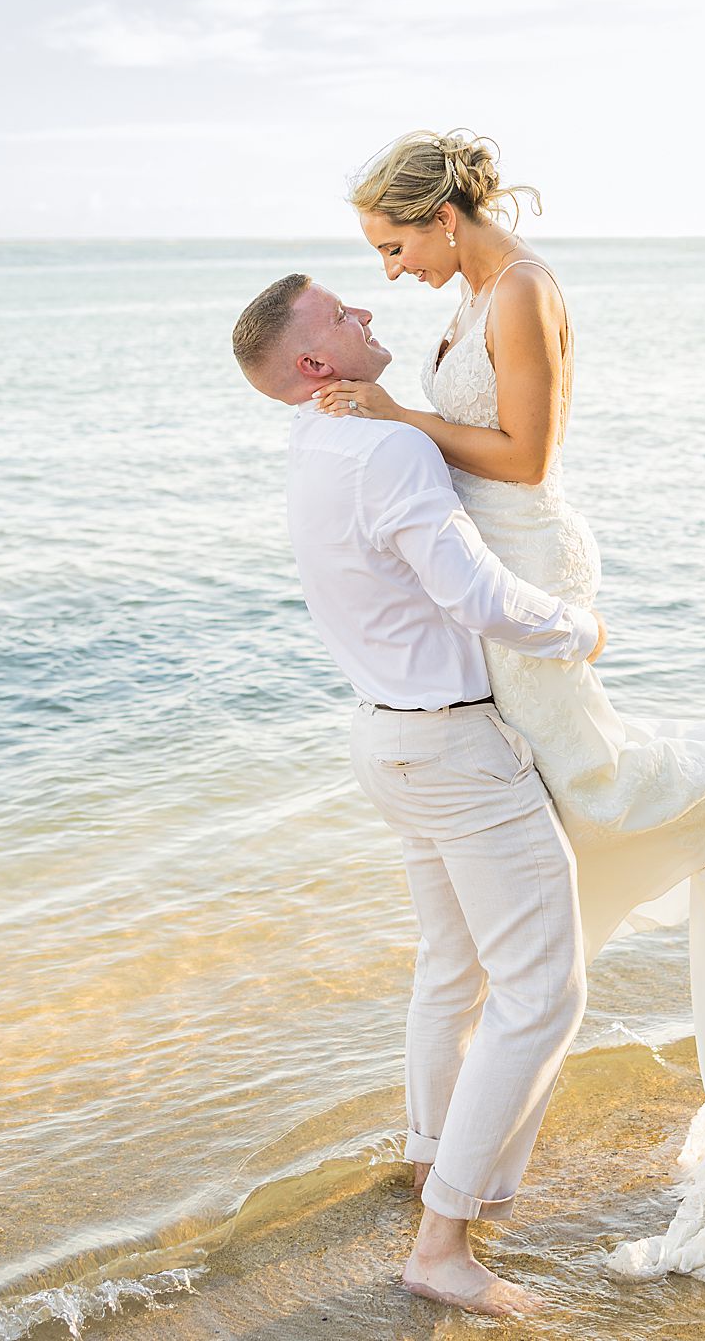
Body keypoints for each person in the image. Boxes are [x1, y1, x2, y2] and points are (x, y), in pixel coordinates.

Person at [310, 128, 705, 1282]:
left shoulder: (522, 292)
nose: (389, 270)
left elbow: (524, 457)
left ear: (445, 218)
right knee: (548, 812)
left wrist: (391, 418)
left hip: (527, 566)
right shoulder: (470, 293)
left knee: (592, 777)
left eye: (395, 243)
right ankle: (454, 1153)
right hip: (490, 580)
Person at [232, 272, 610, 1316]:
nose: (367, 315)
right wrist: (580, 630)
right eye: (344, 317)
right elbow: (473, 594)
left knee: (452, 971)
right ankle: (441, 1246)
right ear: (316, 365)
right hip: (450, 749)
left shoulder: (315, 444)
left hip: (385, 740)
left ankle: (428, 1161)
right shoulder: (388, 446)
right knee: (544, 989)